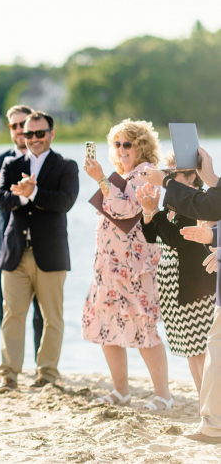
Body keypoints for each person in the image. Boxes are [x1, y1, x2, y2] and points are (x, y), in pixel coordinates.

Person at [82, 119, 172, 411]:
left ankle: (163, 395)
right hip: (109, 265)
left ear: (141, 146)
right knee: (108, 325)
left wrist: (101, 180)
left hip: (134, 266)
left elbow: (127, 210)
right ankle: (121, 391)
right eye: (117, 144)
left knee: (144, 326)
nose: (120, 149)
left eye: (127, 144)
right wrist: (106, 180)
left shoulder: (146, 172)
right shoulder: (123, 174)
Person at [0, 111, 79, 393]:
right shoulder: (10, 163)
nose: (33, 139)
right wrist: (20, 195)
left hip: (50, 255)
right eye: (28, 134)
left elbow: (65, 202)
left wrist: (33, 193)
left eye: (39, 133)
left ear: (51, 134)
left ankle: (47, 374)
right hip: (15, 253)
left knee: (53, 318)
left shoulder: (66, 165)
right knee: (12, 316)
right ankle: (9, 375)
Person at [143, 146, 221, 443]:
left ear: (192, 174)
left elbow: (177, 240)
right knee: (192, 352)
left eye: (177, 174)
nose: (174, 178)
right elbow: (152, 237)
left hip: (194, 287)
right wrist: (150, 212)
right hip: (172, 285)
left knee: (204, 351)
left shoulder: (199, 203)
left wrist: (157, 208)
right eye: (171, 173)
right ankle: (208, 411)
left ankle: (210, 413)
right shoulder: (177, 203)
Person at [0, 105, 43, 360]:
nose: (18, 131)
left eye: (22, 125)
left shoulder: (46, 159)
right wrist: (12, 195)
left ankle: (43, 366)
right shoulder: (1, 160)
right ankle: (9, 364)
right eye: (13, 126)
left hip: (42, 242)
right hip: (7, 243)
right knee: (6, 310)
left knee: (43, 312)